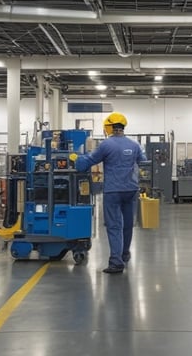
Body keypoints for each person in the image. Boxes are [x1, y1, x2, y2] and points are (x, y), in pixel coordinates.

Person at [74, 112, 147, 274]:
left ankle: (116, 262)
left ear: (110, 127)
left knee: (114, 225)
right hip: (131, 189)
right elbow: (144, 160)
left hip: (113, 190)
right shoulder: (134, 145)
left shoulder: (106, 145)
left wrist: (76, 158)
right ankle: (124, 254)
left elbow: (86, 163)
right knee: (128, 224)